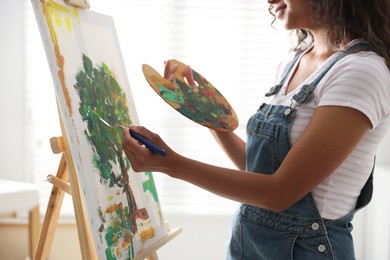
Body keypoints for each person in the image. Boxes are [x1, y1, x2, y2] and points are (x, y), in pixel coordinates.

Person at [123, 0, 390, 259]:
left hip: (307, 250)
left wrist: (172, 165)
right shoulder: (292, 62)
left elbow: (279, 193)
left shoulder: (362, 71)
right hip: (247, 244)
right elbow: (258, 170)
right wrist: (207, 114)